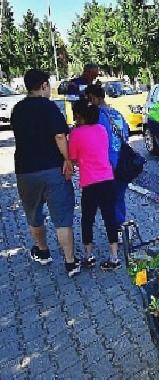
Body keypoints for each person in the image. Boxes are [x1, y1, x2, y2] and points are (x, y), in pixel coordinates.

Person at [10, 69, 80, 277]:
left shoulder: (17, 109)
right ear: (43, 86)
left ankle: (43, 251)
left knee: (34, 213)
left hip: (26, 170)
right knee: (62, 216)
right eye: (48, 85)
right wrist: (68, 160)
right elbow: (60, 136)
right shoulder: (49, 108)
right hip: (53, 169)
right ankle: (70, 262)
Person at [68, 99, 121, 271]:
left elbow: (73, 158)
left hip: (90, 182)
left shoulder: (76, 134)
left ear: (79, 115)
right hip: (107, 179)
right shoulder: (102, 129)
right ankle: (114, 257)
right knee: (109, 217)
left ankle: (88, 255)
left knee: (87, 219)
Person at [84, 84, 130, 226]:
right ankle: (122, 227)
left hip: (107, 164)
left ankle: (118, 229)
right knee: (119, 197)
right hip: (122, 162)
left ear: (94, 98)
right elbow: (126, 134)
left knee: (108, 199)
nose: (89, 103)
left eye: (89, 99)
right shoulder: (116, 113)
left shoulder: (97, 116)